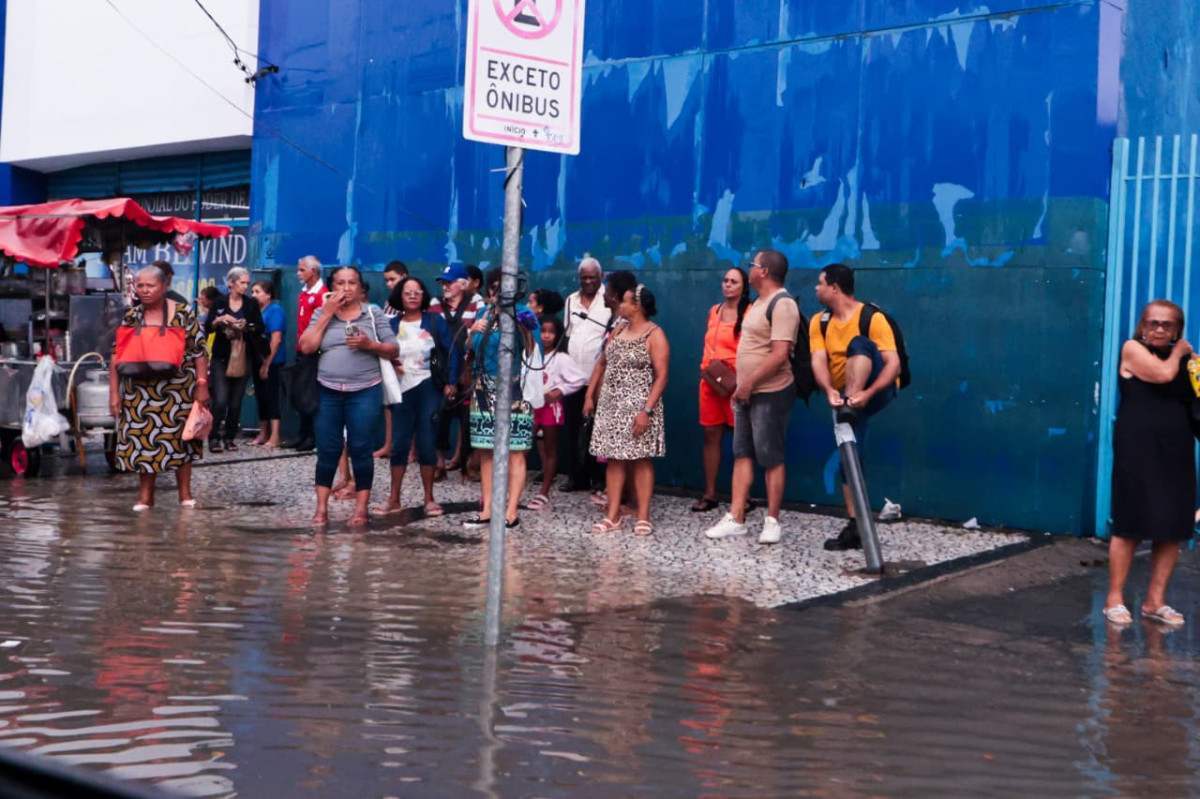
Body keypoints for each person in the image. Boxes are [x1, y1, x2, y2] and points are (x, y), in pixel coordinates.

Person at [1103, 300, 1195, 627]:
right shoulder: (1132, 349)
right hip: (1137, 450)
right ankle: (1114, 598)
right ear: (1142, 326)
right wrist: (1182, 352)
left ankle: (1154, 602)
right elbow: (1161, 374)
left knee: (1172, 527)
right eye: (1153, 323)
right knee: (1130, 524)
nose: (1158, 329)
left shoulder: (1187, 363)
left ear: (1177, 329)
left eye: (1167, 325)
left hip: (1176, 451)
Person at [704, 250, 799, 545]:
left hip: (769, 393)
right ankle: (736, 517)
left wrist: (749, 383)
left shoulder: (783, 305)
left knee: (771, 456)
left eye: (753, 265)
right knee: (742, 453)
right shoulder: (758, 302)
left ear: (765, 271)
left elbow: (780, 354)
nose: (750, 269)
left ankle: (772, 521)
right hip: (745, 393)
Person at [810, 263, 900, 551]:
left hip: (877, 390)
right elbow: (818, 361)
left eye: (820, 283)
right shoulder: (819, 322)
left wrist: (868, 392)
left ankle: (852, 402)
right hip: (842, 399)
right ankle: (856, 525)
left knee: (859, 344)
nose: (816, 288)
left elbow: (893, 363)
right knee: (850, 455)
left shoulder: (871, 317)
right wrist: (828, 391)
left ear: (834, 287)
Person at [298, 266, 398, 526]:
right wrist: (327, 314)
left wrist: (370, 345)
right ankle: (321, 510)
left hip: (365, 390)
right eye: (340, 283)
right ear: (332, 286)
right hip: (327, 390)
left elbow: (393, 349)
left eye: (351, 283)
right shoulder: (323, 313)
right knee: (328, 449)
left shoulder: (373, 313)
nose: (346, 288)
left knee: (361, 448)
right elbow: (306, 346)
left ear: (360, 287)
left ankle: (361, 510)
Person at [109, 265, 209, 511]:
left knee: (182, 440)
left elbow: (199, 352)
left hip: (177, 390)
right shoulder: (131, 316)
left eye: (150, 285)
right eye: (140, 285)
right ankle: (145, 495)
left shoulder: (184, 314)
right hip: (139, 392)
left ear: (164, 286)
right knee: (144, 442)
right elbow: (115, 355)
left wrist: (202, 384)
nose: (144, 290)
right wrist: (114, 393)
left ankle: (185, 493)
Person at [585, 274, 668, 536]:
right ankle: (613, 515)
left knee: (641, 460)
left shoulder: (654, 334)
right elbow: (602, 362)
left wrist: (646, 410)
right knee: (614, 460)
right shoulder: (618, 329)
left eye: (626, 302)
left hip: (638, 407)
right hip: (611, 405)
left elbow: (662, 375)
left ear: (638, 305)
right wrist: (590, 395)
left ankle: (643, 515)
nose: (620, 305)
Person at [462, 269, 541, 529]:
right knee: (486, 451)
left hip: (516, 389)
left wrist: (522, 327)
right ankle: (487, 509)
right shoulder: (485, 313)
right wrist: (472, 333)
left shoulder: (525, 314)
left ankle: (510, 511)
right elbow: (471, 351)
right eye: (494, 288)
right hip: (484, 389)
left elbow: (533, 352)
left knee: (516, 452)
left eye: (503, 288)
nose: (497, 293)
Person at [378, 276, 456, 517]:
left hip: (428, 386)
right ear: (399, 296)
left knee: (426, 441)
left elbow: (451, 350)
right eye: (407, 292)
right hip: (400, 389)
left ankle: (429, 498)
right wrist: (391, 362)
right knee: (400, 443)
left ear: (423, 296)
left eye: (418, 291)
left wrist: (450, 381)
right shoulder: (390, 324)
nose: (412, 295)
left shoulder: (434, 321)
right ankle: (394, 499)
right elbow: (380, 352)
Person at [693, 267, 751, 512]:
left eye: (734, 282)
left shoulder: (749, 313)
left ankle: (742, 497)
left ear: (743, 287)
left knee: (741, 441)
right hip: (710, 382)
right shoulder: (714, 311)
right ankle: (710, 493)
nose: (727, 285)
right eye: (725, 280)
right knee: (710, 436)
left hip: (735, 383)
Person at [528, 316, 590, 511]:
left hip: (550, 408)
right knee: (521, 447)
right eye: (542, 331)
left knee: (550, 449)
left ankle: (544, 492)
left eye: (551, 332)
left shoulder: (561, 358)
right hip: (531, 406)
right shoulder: (532, 354)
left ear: (558, 335)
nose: (546, 336)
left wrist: (560, 390)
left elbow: (579, 379)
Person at [562, 257, 613, 492]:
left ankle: (600, 478)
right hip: (573, 377)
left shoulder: (608, 300)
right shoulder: (571, 300)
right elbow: (567, 334)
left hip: (599, 377)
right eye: (585, 278)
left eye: (593, 277)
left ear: (600, 277)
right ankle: (576, 477)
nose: (589, 282)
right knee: (572, 428)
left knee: (598, 429)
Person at [204, 266, 264, 453]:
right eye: (242, 282)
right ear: (231, 283)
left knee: (236, 401)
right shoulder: (219, 302)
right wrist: (220, 320)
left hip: (242, 355)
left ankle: (229, 437)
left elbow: (260, 328)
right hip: (222, 356)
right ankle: (213, 437)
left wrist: (245, 326)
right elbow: (208, 327)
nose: (245, 286)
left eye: (247, 282)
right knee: (220, 399)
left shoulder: (251, 304)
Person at [430, 264, 480, 476]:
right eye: (443, 282)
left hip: (468, 368)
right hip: (441, 368)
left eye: (449, 282)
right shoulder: (435, 304)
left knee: (468, 416)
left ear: (463, 284)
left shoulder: (476, 303)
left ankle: (465, 461)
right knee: (439, 414)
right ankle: (439, 462)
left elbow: (478, 335)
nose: (445, 286)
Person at [283, 255, 325, 452]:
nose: (298, 273)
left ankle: (312, 436)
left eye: (302, 270)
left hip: (314, 351)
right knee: (301, 393)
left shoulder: (321, 294)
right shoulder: (304, 293)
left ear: (313, 272)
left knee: (310, 395)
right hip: (301, 350)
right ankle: (302, 434)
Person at [374, 260, 410, 458]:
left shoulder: (413, 299)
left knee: (410, 404)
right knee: (389, 403)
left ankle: (411, 448)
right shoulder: (388, 303)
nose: (389, 284)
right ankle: (389, 444)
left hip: (407, 359)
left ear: (404, 276)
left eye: (392, 279)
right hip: (389, 358)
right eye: (386, 280)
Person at [250, 280, 285, 448]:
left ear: (268, 294)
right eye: (253, 292)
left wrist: (267, 364)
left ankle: (275, 435)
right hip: (256, 359)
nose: (253, 295)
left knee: (272, 397)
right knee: (261, 397)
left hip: (272, 361)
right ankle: (263, 433)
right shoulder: (256, 311)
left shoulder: (275, 310)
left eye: (257, 292)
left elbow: (275, 340)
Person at [197, 285, 222, 356]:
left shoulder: (215, 312)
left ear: (210, 300)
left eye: (202, 299)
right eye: (200, 299)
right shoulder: (203, 312)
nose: (201, 301)